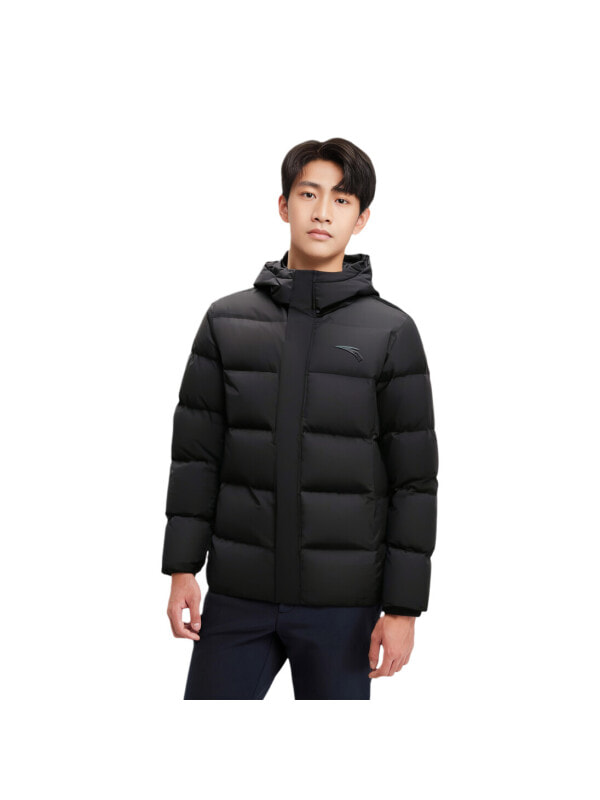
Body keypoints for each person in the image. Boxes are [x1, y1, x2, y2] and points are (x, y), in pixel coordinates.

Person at [161, 137, 439, 700]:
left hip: (343, 608)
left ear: (362, 218)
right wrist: (182, 568)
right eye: (309, 194)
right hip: (237, 598)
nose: (322, 212)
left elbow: (413, 481)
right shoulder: (226, 321)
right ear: (284, 205)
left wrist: (403, 609)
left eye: (342, 199)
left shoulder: (391, 332)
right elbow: (197, 456)